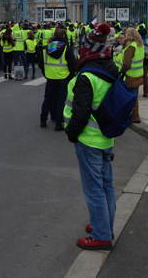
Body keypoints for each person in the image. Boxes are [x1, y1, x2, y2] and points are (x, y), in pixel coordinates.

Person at [63, 23, 117, 251]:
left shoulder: (87, 76)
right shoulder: (110, 68)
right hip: (106, 137)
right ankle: (103, 224)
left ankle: (102, 235)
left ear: (86, 49)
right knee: (106, 186)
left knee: (94, 188)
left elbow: (81, 112)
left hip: (88, 139)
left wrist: (71, 133)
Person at [40, 28, 76, 130]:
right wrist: (71, 76)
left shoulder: (47, 47)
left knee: (48, 98)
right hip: (63, 77)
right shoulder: (66, 48)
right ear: (64, 36)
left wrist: (45, 73)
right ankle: (58, 123)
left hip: (50, 77)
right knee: (61, 100)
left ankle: (43, 120)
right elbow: (72, 64)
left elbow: (41, 63)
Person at [117, 28, 144, 124]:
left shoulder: (131, 47)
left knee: (128, 98)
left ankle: (131, 117)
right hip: (138, 75)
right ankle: (135, 116)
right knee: (134, 97)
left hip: (130, 76)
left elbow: (126, 64)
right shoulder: (140, 45)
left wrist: (121, 72)